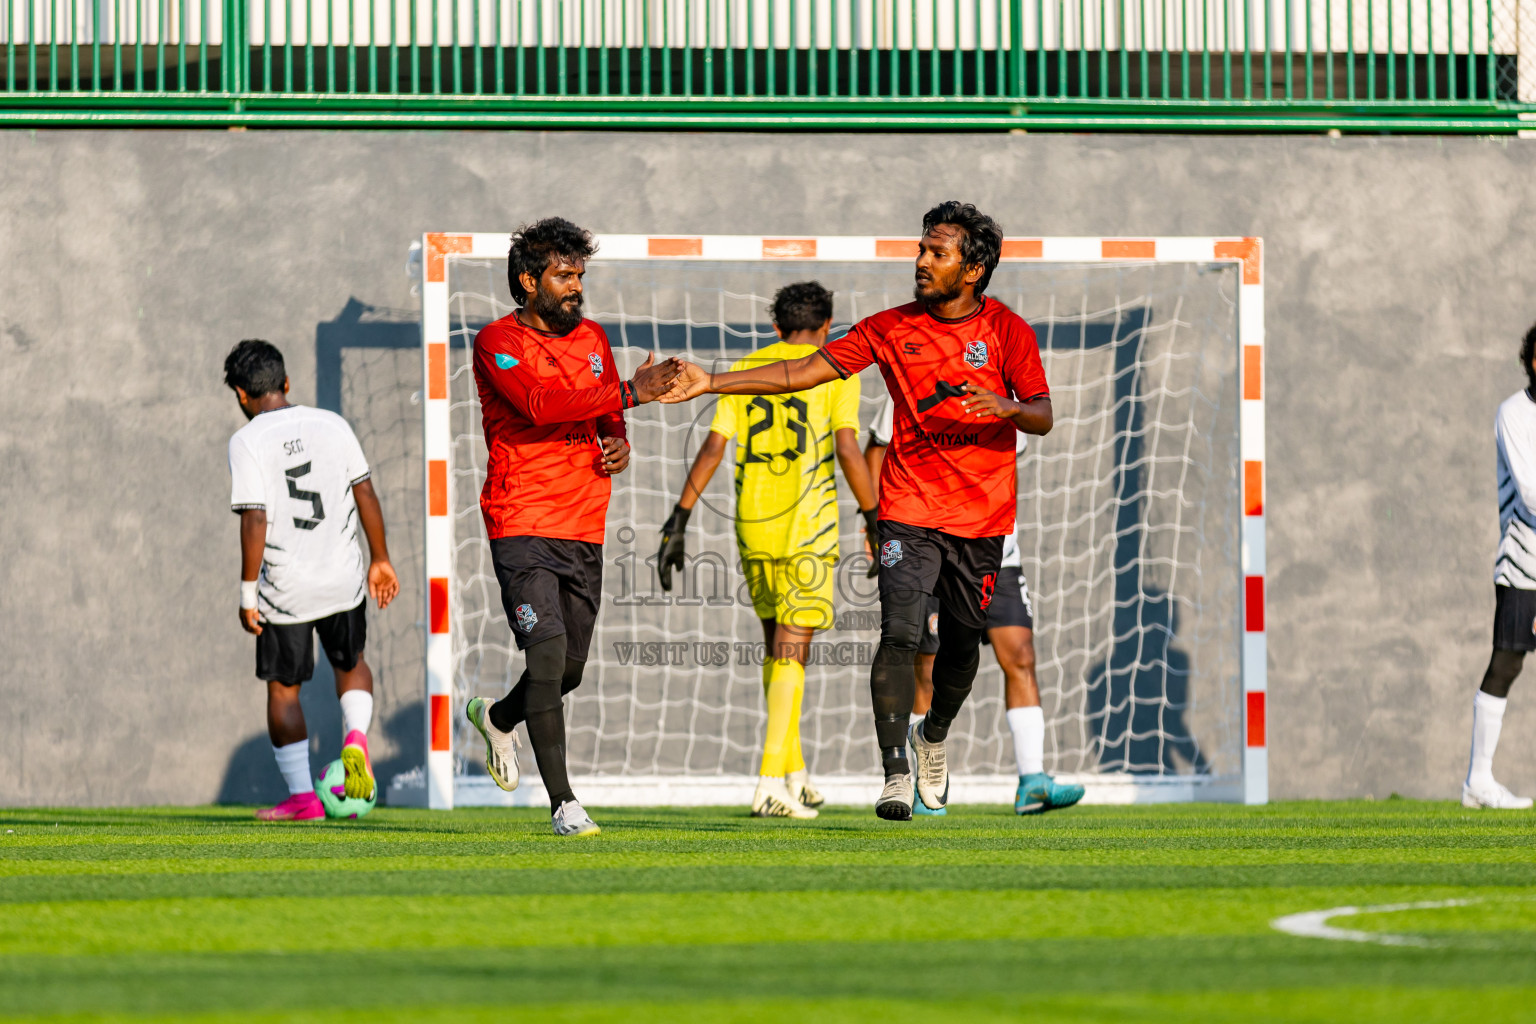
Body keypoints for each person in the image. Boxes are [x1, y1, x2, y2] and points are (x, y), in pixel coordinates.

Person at [661, 201, 1052, 820]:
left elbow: (1043, 414)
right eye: (921, 249)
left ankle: (933, 737)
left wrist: (1008, 409)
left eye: (937, 252)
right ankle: (895, 771)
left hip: (981, 518)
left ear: (972, 268)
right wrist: (712, 381)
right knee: (897, 633)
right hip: (906, 508)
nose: (921, 261)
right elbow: (800, 371)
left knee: (962, 647)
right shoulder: (890, 327)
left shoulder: (1008, 332)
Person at [462, 217, 681, 836]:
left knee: (568, 672)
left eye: (579, 275)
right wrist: (631, 395)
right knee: (548, 652)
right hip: (522, 517)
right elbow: (538, 406)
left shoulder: (592, 338)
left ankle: (500, 717)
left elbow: (603, 406)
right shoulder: (496, 341)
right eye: (563, 275)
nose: (575, 286)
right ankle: (564, 803)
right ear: (528, 281)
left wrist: (619, 439)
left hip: (584, 524)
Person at [656, 282, 879, 819]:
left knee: (775, 647)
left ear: (775, 328)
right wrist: (875, 517)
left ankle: (792, 771)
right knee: (793, 650)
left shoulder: (747, 367)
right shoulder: (836, 367)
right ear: (827, 327)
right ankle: (768, 782)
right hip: (809, 527)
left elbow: (714, 445)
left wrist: (680, 516)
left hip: (753, 523)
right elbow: (848, 447)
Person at [865, 396, 1083, 816]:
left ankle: (1032, 780)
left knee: (1020, 655)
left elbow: (1014, 454)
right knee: (925, 665)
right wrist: (876, 519)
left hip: (995, 551)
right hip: (927, 544)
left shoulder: (1008, 404)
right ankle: (917, 780)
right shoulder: (914, 385)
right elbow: (875, 449)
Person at [225, 339, 400, 822]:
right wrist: (380, 558)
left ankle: (303, 799)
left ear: (242, 395)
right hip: (343, 576)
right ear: (286, 383)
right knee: (352, 664)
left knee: (284, 690)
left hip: (288, 588)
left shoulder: (246, 441)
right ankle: (356, 741)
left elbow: (254, 518)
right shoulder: (331, 423)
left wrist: (246, 592)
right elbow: (364, 490)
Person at [1464, 321, 1536, 810]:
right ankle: (1479, 782)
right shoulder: (1514, 413)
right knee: (1507, 663)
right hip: (1524, 564)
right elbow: (1531, 493)